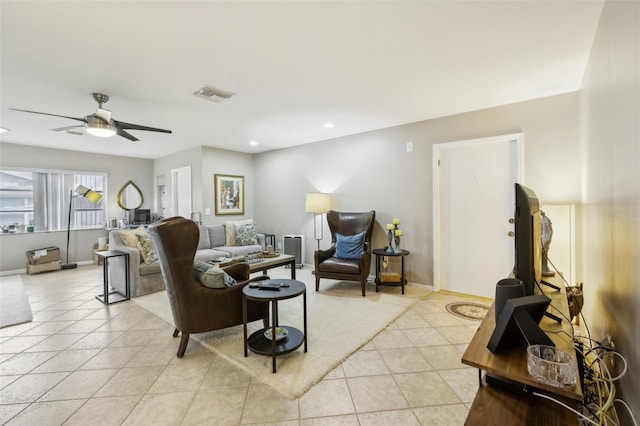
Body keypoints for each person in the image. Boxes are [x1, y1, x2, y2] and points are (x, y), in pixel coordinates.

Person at [541, 210, 555, 276]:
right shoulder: (542, 219)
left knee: (544, 252)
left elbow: (550, 231)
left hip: (546, 238)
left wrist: (547, 240)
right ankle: (543, 267)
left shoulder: (546, 220)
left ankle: (545, 267)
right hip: (543, 237)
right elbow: (541, 230)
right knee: (543, 253)